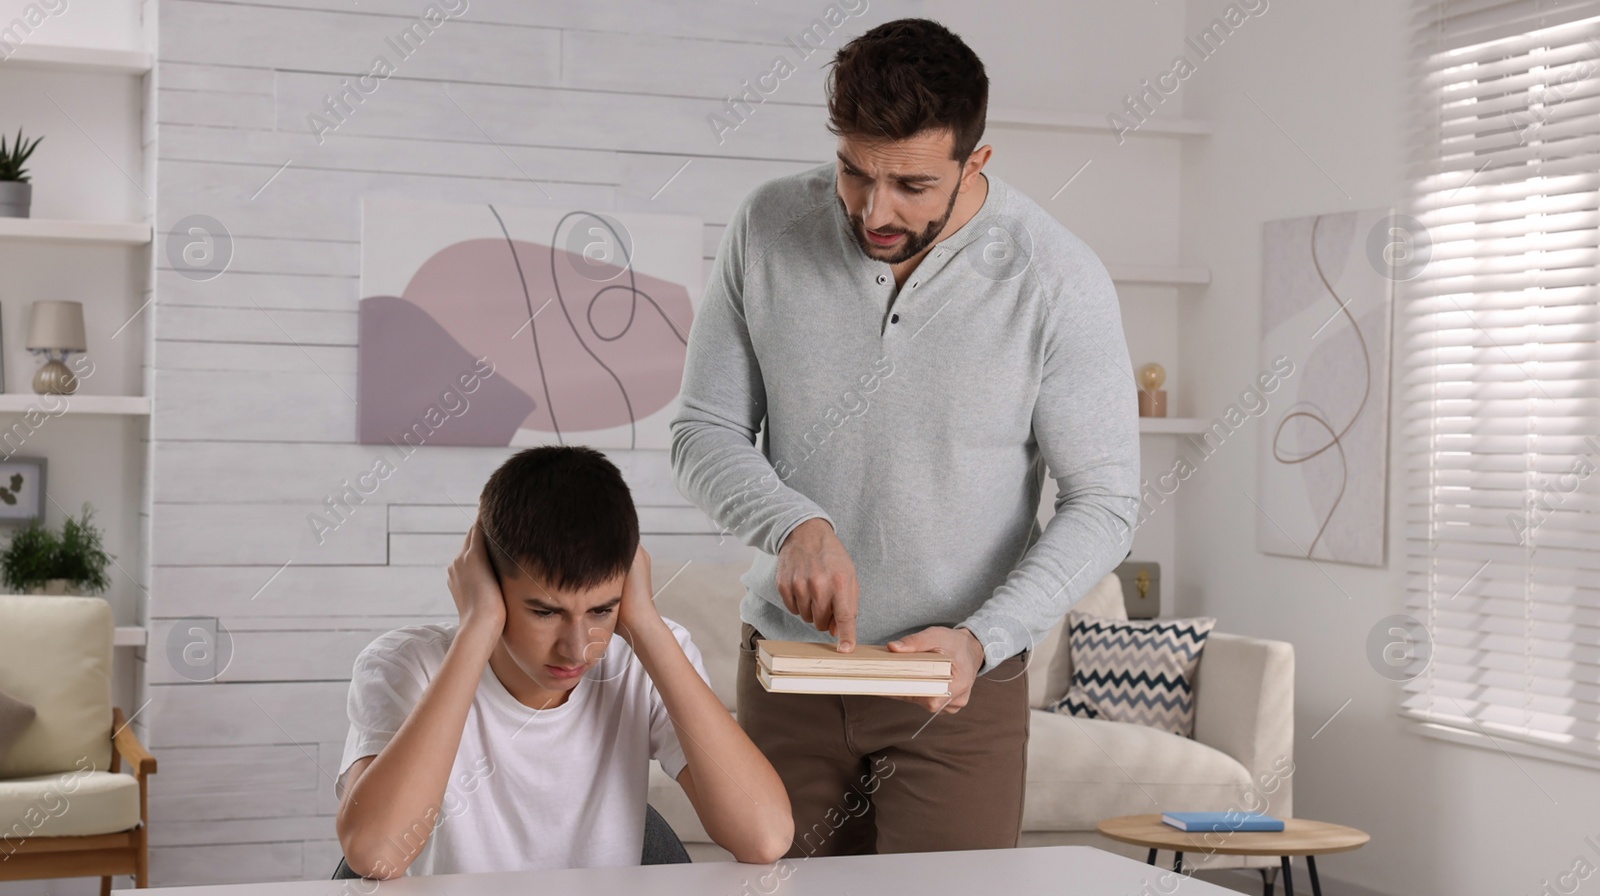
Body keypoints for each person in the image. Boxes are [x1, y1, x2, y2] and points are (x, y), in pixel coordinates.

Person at [670, 18, 1140, 857]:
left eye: (913, 185)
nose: (874, 210)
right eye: (854, 172)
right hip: (790, 673)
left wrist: (984, 637)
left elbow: (1105, 503)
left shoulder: (1057, 279)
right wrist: (793, 525)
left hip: (958, 688)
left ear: (976, 163)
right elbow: (703, 431)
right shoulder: (768, 227)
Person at [334, 446, 792, 877]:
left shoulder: (642, 656)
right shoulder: (403, 664)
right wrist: (477, 627)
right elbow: (375, 854)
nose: (577, 648)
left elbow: (765, 837)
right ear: (488, 582)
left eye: (601, 610)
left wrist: (646, 624)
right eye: (545, 612)